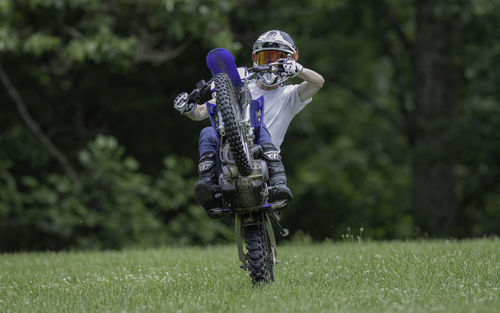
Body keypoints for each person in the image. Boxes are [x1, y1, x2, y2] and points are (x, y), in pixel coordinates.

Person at [174, 30, 324, 216]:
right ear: (255, 60)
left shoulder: (290, 95)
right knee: (207, 132)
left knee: (258, 125)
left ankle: (278, 183)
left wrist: (299, 70)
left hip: (265, 157)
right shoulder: (241, 86)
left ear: (291, 60)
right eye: (265, 58)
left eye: (278, 59)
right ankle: (207, 185)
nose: (271, 64)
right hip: (233, 150)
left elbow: (318, 82)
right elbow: (201, 112)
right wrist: (188, 108)